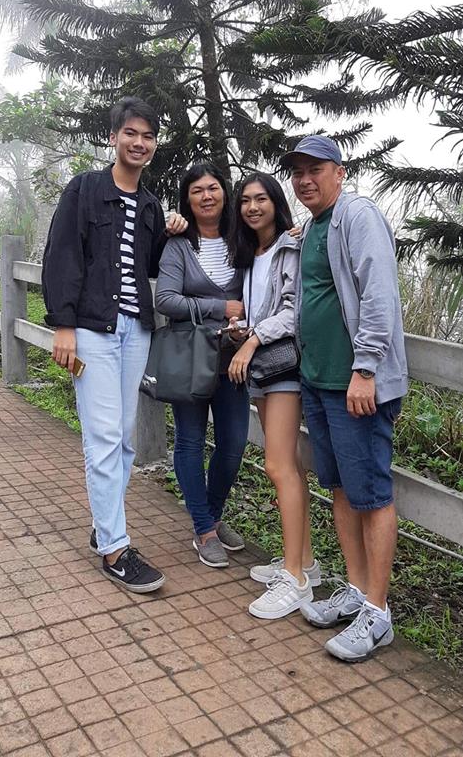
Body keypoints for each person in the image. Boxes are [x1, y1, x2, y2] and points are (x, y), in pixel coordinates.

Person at [42, 97, 187, 593]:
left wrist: (172, 231)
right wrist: (63, 325)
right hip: (91, 330)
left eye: (148, 136)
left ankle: (105, 524)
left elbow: (150, 265)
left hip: (136, 331)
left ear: (154, 144)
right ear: (113, 137)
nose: (139, 143)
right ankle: (115, 549)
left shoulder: (150, 205)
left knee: (123, 439)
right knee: (103, 437)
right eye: (131, 133)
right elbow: (62, 256)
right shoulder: (84, 189)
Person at [280, 134, 408, 662]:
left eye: (316, 169)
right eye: (297, 172)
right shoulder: (313, 226)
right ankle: (356, 590)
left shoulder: (358, 216)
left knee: (371, 494)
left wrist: (365, 368)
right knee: (338, 488)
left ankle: (378, 612)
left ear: (340, 171)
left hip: (356, 385)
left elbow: (379, 293)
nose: (304, 179)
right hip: (318, 381)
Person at [228, 173, 321, 620]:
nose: (252, 207)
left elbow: (293, 311)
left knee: (278, 466)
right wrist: (242, 330)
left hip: (282, 366)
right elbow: (263, 309)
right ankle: (306, 563)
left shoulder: (291, 245)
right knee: (289, 466)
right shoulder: (251, 254)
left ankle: (295, 580)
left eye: (261, 198)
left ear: (275, 203)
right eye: (245, 200)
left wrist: (251, 340)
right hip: (262, 366)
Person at [155, 162, 250, 568]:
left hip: (234, 360)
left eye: (212, 188)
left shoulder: (241, 240)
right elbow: (165, 300)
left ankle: (210, 514)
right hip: (191, 359)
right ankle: (204, 528)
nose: (206, 196)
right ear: (187, 199)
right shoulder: (179, 245)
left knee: (233, 443)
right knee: (190, 442)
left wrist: (294, 234)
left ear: (224, 193)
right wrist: (219, 307)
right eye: (197, 191)